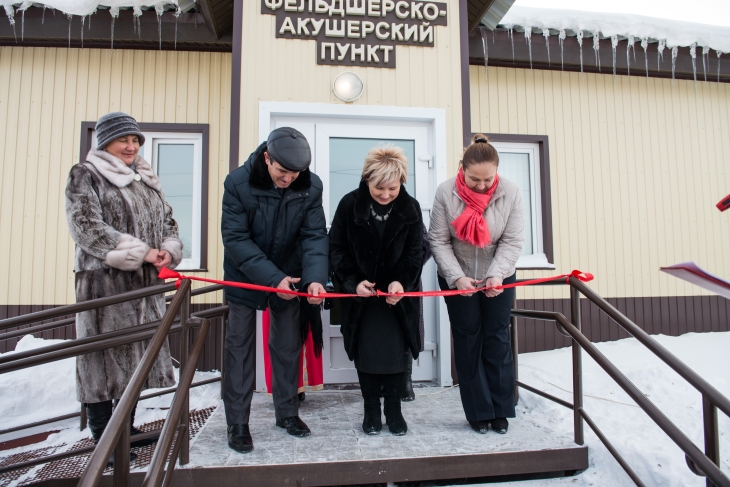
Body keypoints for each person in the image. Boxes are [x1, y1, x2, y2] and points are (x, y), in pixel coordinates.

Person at [65, 112, 183, 465]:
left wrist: (167, 248)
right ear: (105, 143)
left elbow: (168, 219)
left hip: (144, 286)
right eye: (123, 140)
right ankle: (104, 441)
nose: (131, 147)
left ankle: (125, 431)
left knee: (135, 362)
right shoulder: (85, 175)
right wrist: (137, 251)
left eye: (135, 141)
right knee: (101, 362)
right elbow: (85, 226)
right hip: (104, 285)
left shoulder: (145, 179)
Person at [221, 127, 328, 453]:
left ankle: (287, 414)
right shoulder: (237, 183)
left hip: (291, 278)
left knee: (287, 346)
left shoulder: (310, 186)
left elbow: (314, 236)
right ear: (267, 158)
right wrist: (272, 279)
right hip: (246, 274)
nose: (288, 179)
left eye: (294, 174)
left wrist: (313, 278)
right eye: (282, 172)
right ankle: (237, 424)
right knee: (239, 351)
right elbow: (236, 239)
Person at [428, 134, 524, 435]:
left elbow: (512, 241)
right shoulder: (445, 192)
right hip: (457, 276)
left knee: (497, 338)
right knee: (468, 340)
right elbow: (438, 240)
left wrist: (497, 274)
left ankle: (500, 410)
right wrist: (457, 278)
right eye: (474, 180)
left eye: (488, 179)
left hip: (499, 275)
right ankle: (478, 412)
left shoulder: (511, 192)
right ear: (462, 170)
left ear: (497, 172)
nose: (482, 186)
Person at [329, 146, 424, 436]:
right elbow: (336, 249)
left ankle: (393, 409)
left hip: (396, 301)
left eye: (392, 188)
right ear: (366, 180)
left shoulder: (410, 208)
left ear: (402, 182)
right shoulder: (349, 205)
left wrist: (402, 282)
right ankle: (371, 409)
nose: (385, 194)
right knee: (366, 355)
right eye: (378, 188)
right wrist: (353, 281)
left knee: (396, 355)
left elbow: (415, 253)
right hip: (362, 299)